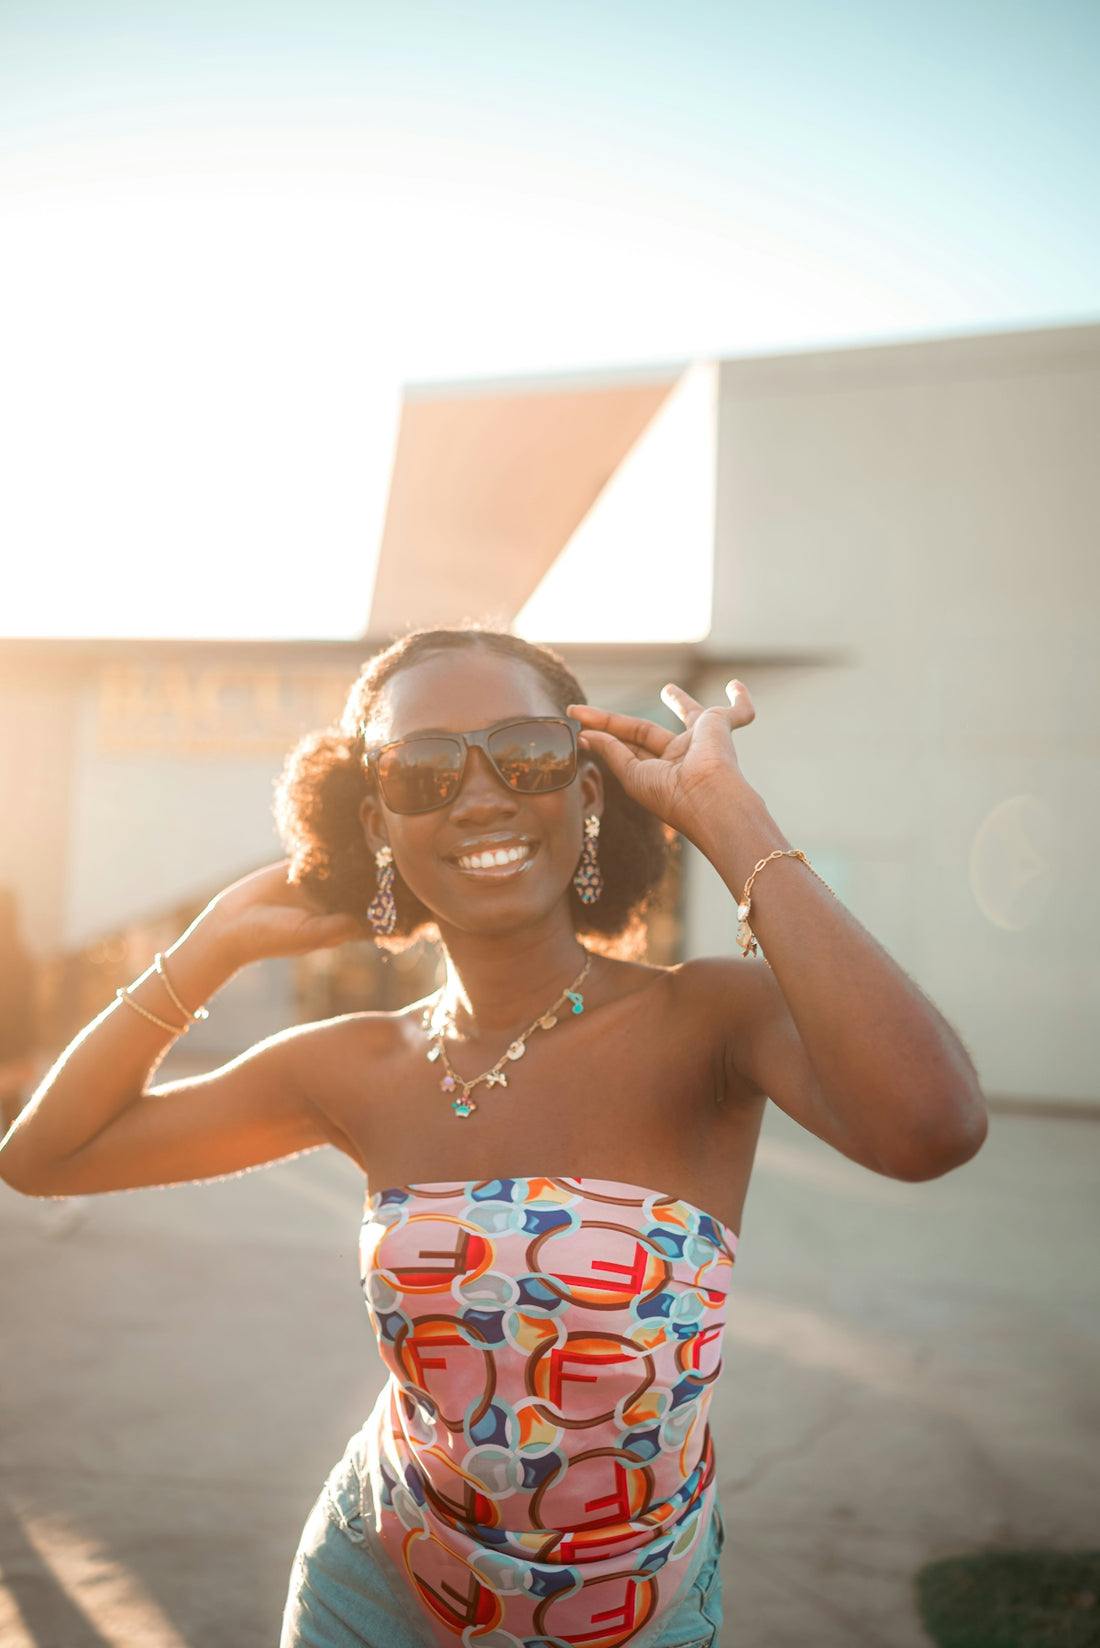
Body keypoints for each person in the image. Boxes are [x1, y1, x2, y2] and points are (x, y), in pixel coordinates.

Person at [0, 628, 987, 1648]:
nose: (478, 796)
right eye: (421, 771)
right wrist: (207, 947)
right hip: (373, 1590)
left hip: (630, 1620)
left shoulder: (708, 1025)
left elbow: (929, 1126)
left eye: (525, 753)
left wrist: (724, 816)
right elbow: (44, 1157)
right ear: (375, 820)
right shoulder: (354, 1066)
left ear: (589, 789)